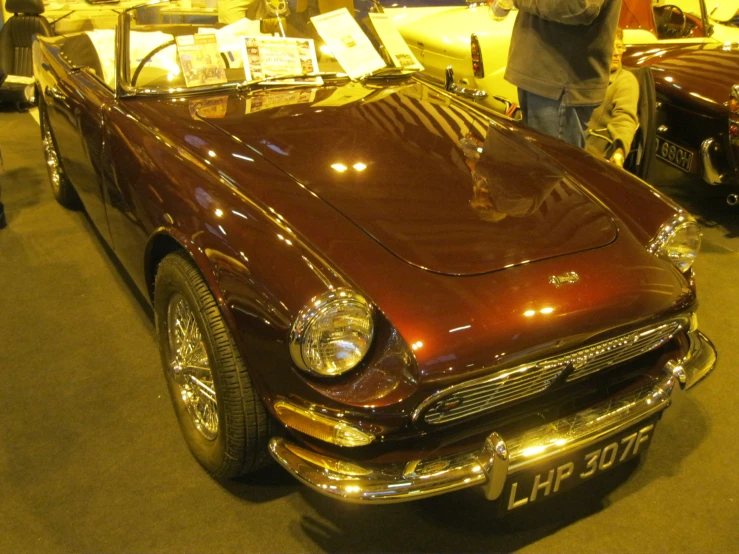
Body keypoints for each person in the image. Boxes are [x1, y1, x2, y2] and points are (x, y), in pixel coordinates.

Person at [489, 0, 622, 148]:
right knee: (540, 164)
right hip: (547, 81)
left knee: (553, 167)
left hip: (558, 85)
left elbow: (579, 6)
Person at [585, 29, 639, 168]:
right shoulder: (586, 74)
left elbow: (625, 119)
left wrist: (619, 152)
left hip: (594, 153)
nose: (616, 52)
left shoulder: (625, 81)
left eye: (619, 46)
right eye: (611, 46)